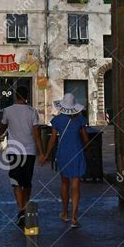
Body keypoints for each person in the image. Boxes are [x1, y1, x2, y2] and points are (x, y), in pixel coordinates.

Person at [0, 88, 44, 226]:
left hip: (14, 150)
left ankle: (21, 209)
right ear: (27, 96)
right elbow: (37, 134)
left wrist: (2, 136)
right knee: (27, 182)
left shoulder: (8, 110)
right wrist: (41, 152)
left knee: (16, 181)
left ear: (16, 96)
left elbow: (3, 126)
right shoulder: (32, 111)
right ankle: (24, 206)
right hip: (29, 151)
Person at [43, 93, 89, 228]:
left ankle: (64, 212)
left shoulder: (57, 120)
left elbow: (52, 140)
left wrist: (46, 154)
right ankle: (74, 217)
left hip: (63, 152)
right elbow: (86, 139)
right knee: (76, 185)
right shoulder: (80, 120)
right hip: (77, 151)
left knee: (64, 183)